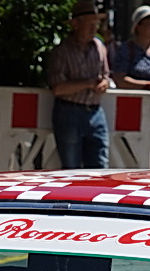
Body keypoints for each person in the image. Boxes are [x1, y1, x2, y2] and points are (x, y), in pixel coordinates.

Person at [47, 0, 110, 169]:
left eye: (96, 24)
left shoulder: (99, 47)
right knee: (71, 168)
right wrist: (88, 83)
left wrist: (104, 83)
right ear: (75, 24)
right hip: (69, 112)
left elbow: (106, 76)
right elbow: (58, 88)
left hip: (96, 112)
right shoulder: (61, 52)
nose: (94, 28)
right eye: (90, 24)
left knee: (100, 166)